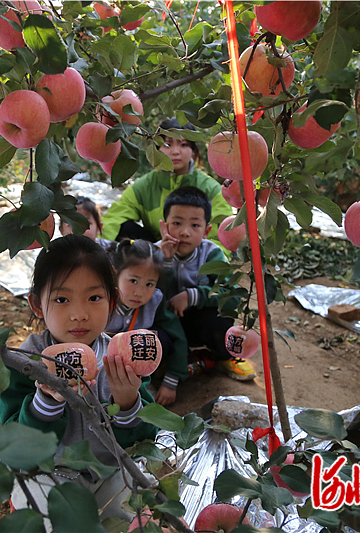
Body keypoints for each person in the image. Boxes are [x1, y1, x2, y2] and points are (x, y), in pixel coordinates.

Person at [0, 234, 158, 525]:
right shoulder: (26, 362)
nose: (80, 314)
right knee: (49, 520)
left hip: (110, 471)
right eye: (62, 299)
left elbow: (145, 439)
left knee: (141, 514)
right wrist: (45, 403)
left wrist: (128, 405)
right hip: (47, 475)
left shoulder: (122, 356)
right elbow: (15, 448)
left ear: (112, 302)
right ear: (37, 305)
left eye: (94, 298)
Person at [158, 186, 256, 381]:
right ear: (164, 226)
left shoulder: (211, 254)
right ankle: (178, 360)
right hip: (167, 322)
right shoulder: (153, 253)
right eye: (177, 223)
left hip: (199, 322)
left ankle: (224, 356)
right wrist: (165, 262)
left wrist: (192, 296)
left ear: (206, 231)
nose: (184, 232)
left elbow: (231, 296)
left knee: (221, 317)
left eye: (195, 225)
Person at [99, 117, 232, 245]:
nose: (175, 151)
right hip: (157, 254)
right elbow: (114, 219)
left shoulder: (211, 189)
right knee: (124, 228)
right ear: (157, 150)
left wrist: (207, 260)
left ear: (193, 150)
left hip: (195, 256)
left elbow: (222, 235)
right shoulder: (144, 187)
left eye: (183, 144)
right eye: (167, 144)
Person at [105, 239, 189, 406]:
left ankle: (143, 385)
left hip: (135, 367)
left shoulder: (153, 303)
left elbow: (177, 336)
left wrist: (171, 381)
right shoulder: (99, 301)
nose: (139, 292)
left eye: (149, 284)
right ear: (115, 273)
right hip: (102, 362)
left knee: (161, 338)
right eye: (133, 281)